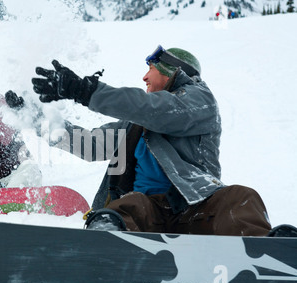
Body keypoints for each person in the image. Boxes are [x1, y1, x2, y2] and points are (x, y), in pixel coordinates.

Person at [31, 45, 296, 237]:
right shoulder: (134, 126)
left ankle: (264, 251)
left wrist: (86, 91)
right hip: (147, 213)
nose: (144, 77)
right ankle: (106, 239)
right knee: (129, 204)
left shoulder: (199, 102)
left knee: (240, 197)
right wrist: (35, 118)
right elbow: (88, 143)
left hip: (194, 208)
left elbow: (154, 110)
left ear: (172, 72)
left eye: (151, 69)